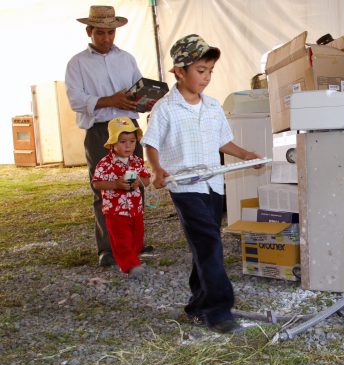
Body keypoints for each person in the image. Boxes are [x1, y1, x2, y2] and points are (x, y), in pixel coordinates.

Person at [141, 34, 261, 334]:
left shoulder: (213, 106)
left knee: (204, 244)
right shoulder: (165, 108)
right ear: (179, 72)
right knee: (209, 242)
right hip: (185, 188)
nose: (206, 78)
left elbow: (223, 141)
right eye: (200, 71)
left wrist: (245, 154)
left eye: (209, 71)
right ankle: (218, 311)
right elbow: (151, 143)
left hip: (213, 186)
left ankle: (196, 304)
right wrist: (157, 170)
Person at [65, 5, 153, 267]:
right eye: (101, 33)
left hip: (129, 128)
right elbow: (75, 100)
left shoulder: (126, 58)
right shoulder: (77, 63)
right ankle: (107, 248)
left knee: (135, 184)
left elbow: (140, 88)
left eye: (111, 33)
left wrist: (145, 100)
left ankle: (134, 243)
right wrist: (110, 100)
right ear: (89, 31)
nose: (106, 38)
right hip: (100, 130)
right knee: (103, 186)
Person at [92, 117, 151, 279]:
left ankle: (131, 259)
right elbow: (97, 184)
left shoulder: (137, 162)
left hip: (135, 209)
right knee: (122, 240)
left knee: (137, 240)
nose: (128, 146)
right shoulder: (104, 164)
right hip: (115, 211)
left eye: (132, 141)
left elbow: (146, 180)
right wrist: (116, 184)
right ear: (112, 144)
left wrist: (137, 183)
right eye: (123, 141)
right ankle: (130, 265)